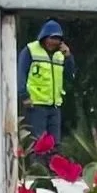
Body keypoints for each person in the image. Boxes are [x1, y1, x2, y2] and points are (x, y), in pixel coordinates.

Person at [17, 19, 75, 161]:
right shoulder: (30, 50)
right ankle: (37, 170)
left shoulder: (60, 54)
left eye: (57, 39)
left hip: (54, 105)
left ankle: (53, 171)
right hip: (35, 105)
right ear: (44, 37)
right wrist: (24, 95)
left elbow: (70, 75)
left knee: (55, 144)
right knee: (38, 143)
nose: (54, 42)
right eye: (51, 38)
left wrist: (68, 57)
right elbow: (20, 73)